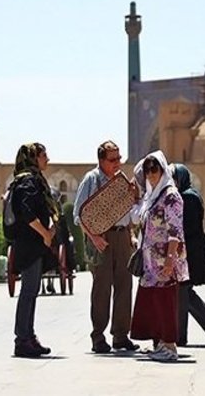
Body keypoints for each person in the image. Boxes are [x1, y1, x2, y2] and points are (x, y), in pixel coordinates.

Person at [73, 140, 139, 353]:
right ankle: (98, 337)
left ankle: (121, 336)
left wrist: (130, 235)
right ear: (101, 160)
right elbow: (79, 215)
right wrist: (94, 238)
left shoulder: (120, 182)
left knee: (124, 286)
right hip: (101, 239)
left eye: (119, 158)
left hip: (122, 239)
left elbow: (126, 212)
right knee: (102, 288)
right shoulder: (92, 180)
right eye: (113, 159)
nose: (117, 163)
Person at [130, 151, 189, 361]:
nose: (150, 174)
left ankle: (170, 346)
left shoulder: (170, 195)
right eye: (148, 170)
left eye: (154, 169)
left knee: (165, 302)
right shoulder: (153, 196)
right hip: (150, 262)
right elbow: (138, 218)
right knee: (154, 302)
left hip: (164, 259)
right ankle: (161, 343)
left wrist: (170, 260)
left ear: (163, 169)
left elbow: (175, 230)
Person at [10, 143, 57, 358]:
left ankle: (28, 337)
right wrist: (45, 234)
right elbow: (27, 213)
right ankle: (22, 339)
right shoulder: (28, 182)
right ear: (33, 158)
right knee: (28, 292)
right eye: (43, 155)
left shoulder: (30, 180)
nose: (47, 159)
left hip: (32, 245)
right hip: (29, 246)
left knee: (31, 292)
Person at [171, 163, 205, 346]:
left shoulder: (188, 198)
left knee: (182, 292)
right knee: (184, 292)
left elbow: (187, 227)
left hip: (188, 252)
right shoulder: (189, 195)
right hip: (188, 251)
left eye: (174, 178)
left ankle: (181, 336)